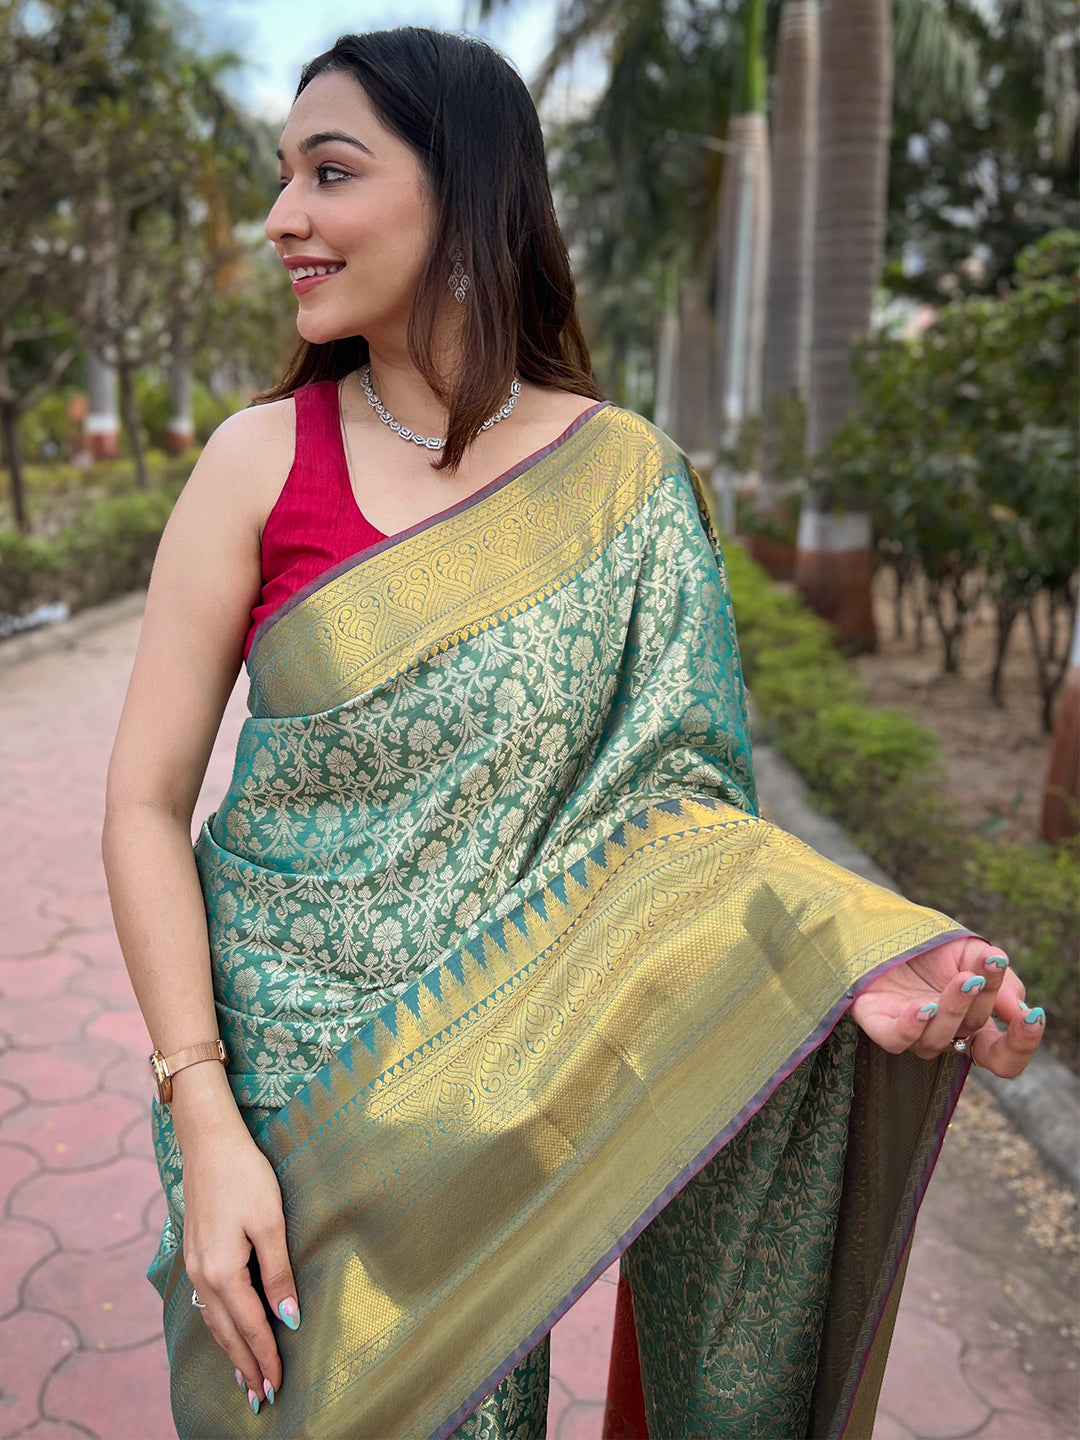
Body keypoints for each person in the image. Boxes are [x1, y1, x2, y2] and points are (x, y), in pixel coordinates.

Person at [101, 27, 1045, 1440]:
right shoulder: (257, 460)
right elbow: (141, 805)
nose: (284, 216)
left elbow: (680, 831)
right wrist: (206, 1118)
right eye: (280, 175)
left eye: (330, 172)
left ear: (468, 188)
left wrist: (856, 965)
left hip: (507, 1105)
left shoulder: (630, 485)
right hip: (288, 1108)